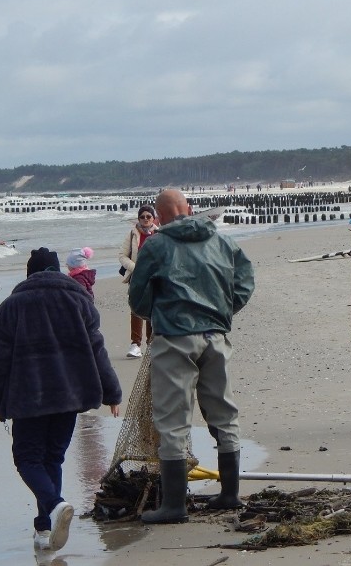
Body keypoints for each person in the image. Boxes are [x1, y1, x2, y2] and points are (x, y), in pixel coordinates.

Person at [0, 247, 122, 552]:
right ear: (57, 271)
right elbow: (98, 350)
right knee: (52, 458)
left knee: (28, 459)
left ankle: (55, 507)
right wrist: (111, 391)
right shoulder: (79, 301)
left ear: (29, 274)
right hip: (69, 396)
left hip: (28, 398)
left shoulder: (10, 308)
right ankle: (45, 528)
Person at [129, 189, 255, 524]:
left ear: (158, 216)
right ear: (189, 209)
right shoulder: (221, 241)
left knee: (172, 421)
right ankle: (230, 494)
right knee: (224, 414)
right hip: (215, 336)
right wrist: (224, 311)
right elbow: (245, 280)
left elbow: (138, 297)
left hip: (174, 337)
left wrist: (157, 315)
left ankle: (173, 507)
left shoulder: (155, 246)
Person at [118, 205, 157, 358]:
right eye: (142, 217)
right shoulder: (132, 234)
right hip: (136, 277)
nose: (145, 219)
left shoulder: (159, 233)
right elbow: (122, 255)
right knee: (136, 308)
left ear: (153, 218)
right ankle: (135, 344)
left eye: (148, 216)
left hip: (154, 277)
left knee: (152, 310)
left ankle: (151, 343)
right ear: (139, 219)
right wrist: (136, 268)